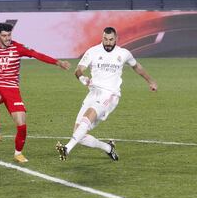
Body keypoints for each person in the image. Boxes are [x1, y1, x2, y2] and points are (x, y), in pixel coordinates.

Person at [0, 23, 71, 163]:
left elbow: (37, 54)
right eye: (4, 35)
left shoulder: (18, 48)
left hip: (12, 90)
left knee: (22, 125)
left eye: (9, 35)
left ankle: (18, 153)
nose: (7, 38)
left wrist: (58, 62)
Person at [56, 27, 158, 161]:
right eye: (105, 39)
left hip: (110, 95)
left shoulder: (124, 53)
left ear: (116, 39)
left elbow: (136, 66)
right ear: (102, 38)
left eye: (111, 39)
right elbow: (78, 70)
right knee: (79, 134)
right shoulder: (93, 51)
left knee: (89, 115)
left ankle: (67, 149)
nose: (108, 42)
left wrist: (150, 81)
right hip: (93, 94)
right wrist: (82, 78)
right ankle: (108, 148)